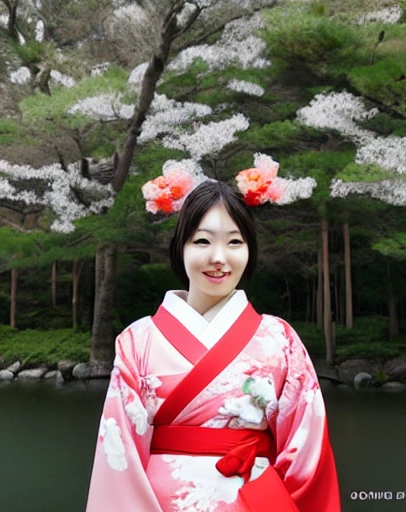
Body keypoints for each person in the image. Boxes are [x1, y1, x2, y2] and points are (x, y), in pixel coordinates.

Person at [86, 180, 340, 512]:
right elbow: (118, 456)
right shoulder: (138, 341)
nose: (218, 258)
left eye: (234, 242)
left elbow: (308, 450)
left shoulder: (280, 339)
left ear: (249, 251)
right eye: (203, 241)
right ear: (181, 247)